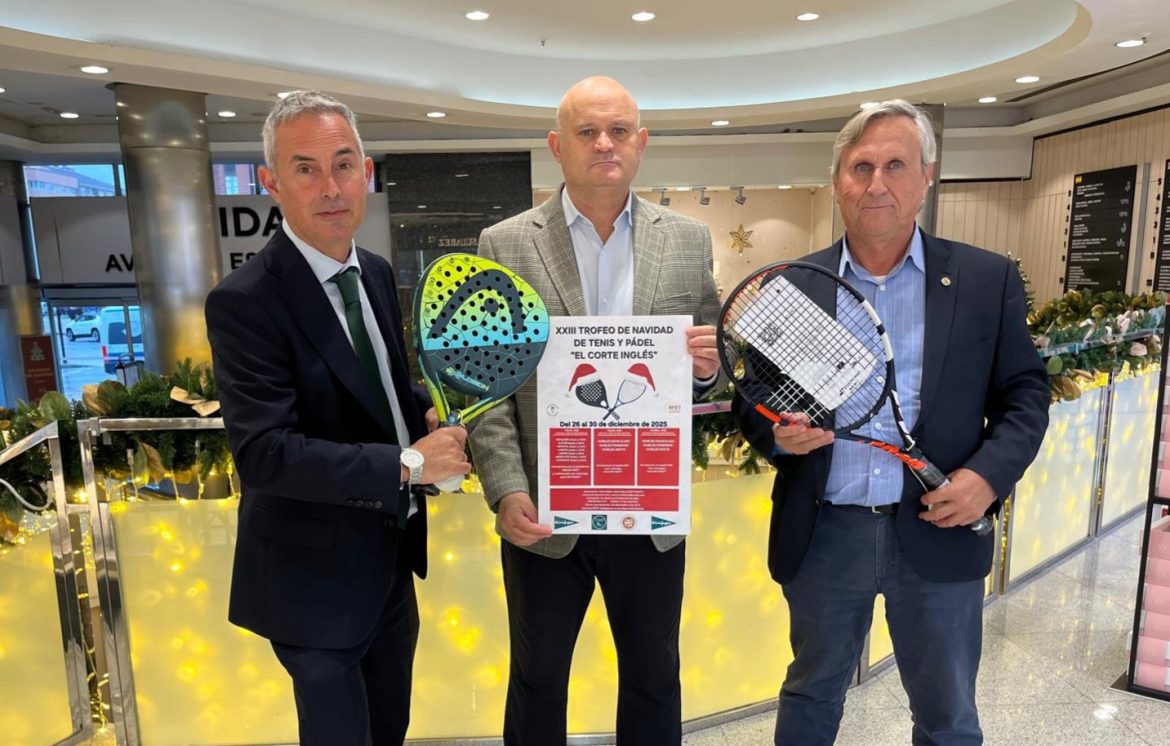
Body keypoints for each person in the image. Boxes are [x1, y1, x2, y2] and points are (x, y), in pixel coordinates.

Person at [732, 99, 1050, 745]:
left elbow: (1024, 394)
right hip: (825, 535)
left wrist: (987, 479)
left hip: (939, 531)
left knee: (948, 717)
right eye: (861, 167)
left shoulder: (984, 279)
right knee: (810, 695)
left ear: (926, 177)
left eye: (896, 165)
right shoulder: (794, 285)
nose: (877, 183)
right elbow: (753, 396)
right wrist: (777, 434)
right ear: (837, 182)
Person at [205, 90, 470, 746]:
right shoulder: (245, 301)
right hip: (311, 582)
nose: (330, 187)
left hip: (388, 563)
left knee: (390, 730)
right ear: (271, 183)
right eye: (306, 169)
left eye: (344, 165)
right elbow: (265, 452)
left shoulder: (373, 273)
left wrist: (420, 408)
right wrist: (409, 463)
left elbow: (371, 385)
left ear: (367, 173)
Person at [467, 76, 722, 744]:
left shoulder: (688, 241)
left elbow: (709, 365)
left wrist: (707, 368)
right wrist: (506, 489)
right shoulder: (504, 244)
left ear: (641, 142)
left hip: (650, 508)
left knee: (653, 677)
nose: (604, 144)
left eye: (618, 131)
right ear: (558, 146)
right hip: (545, 512)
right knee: (538, 680)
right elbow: (488, 388)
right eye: (587, 132)